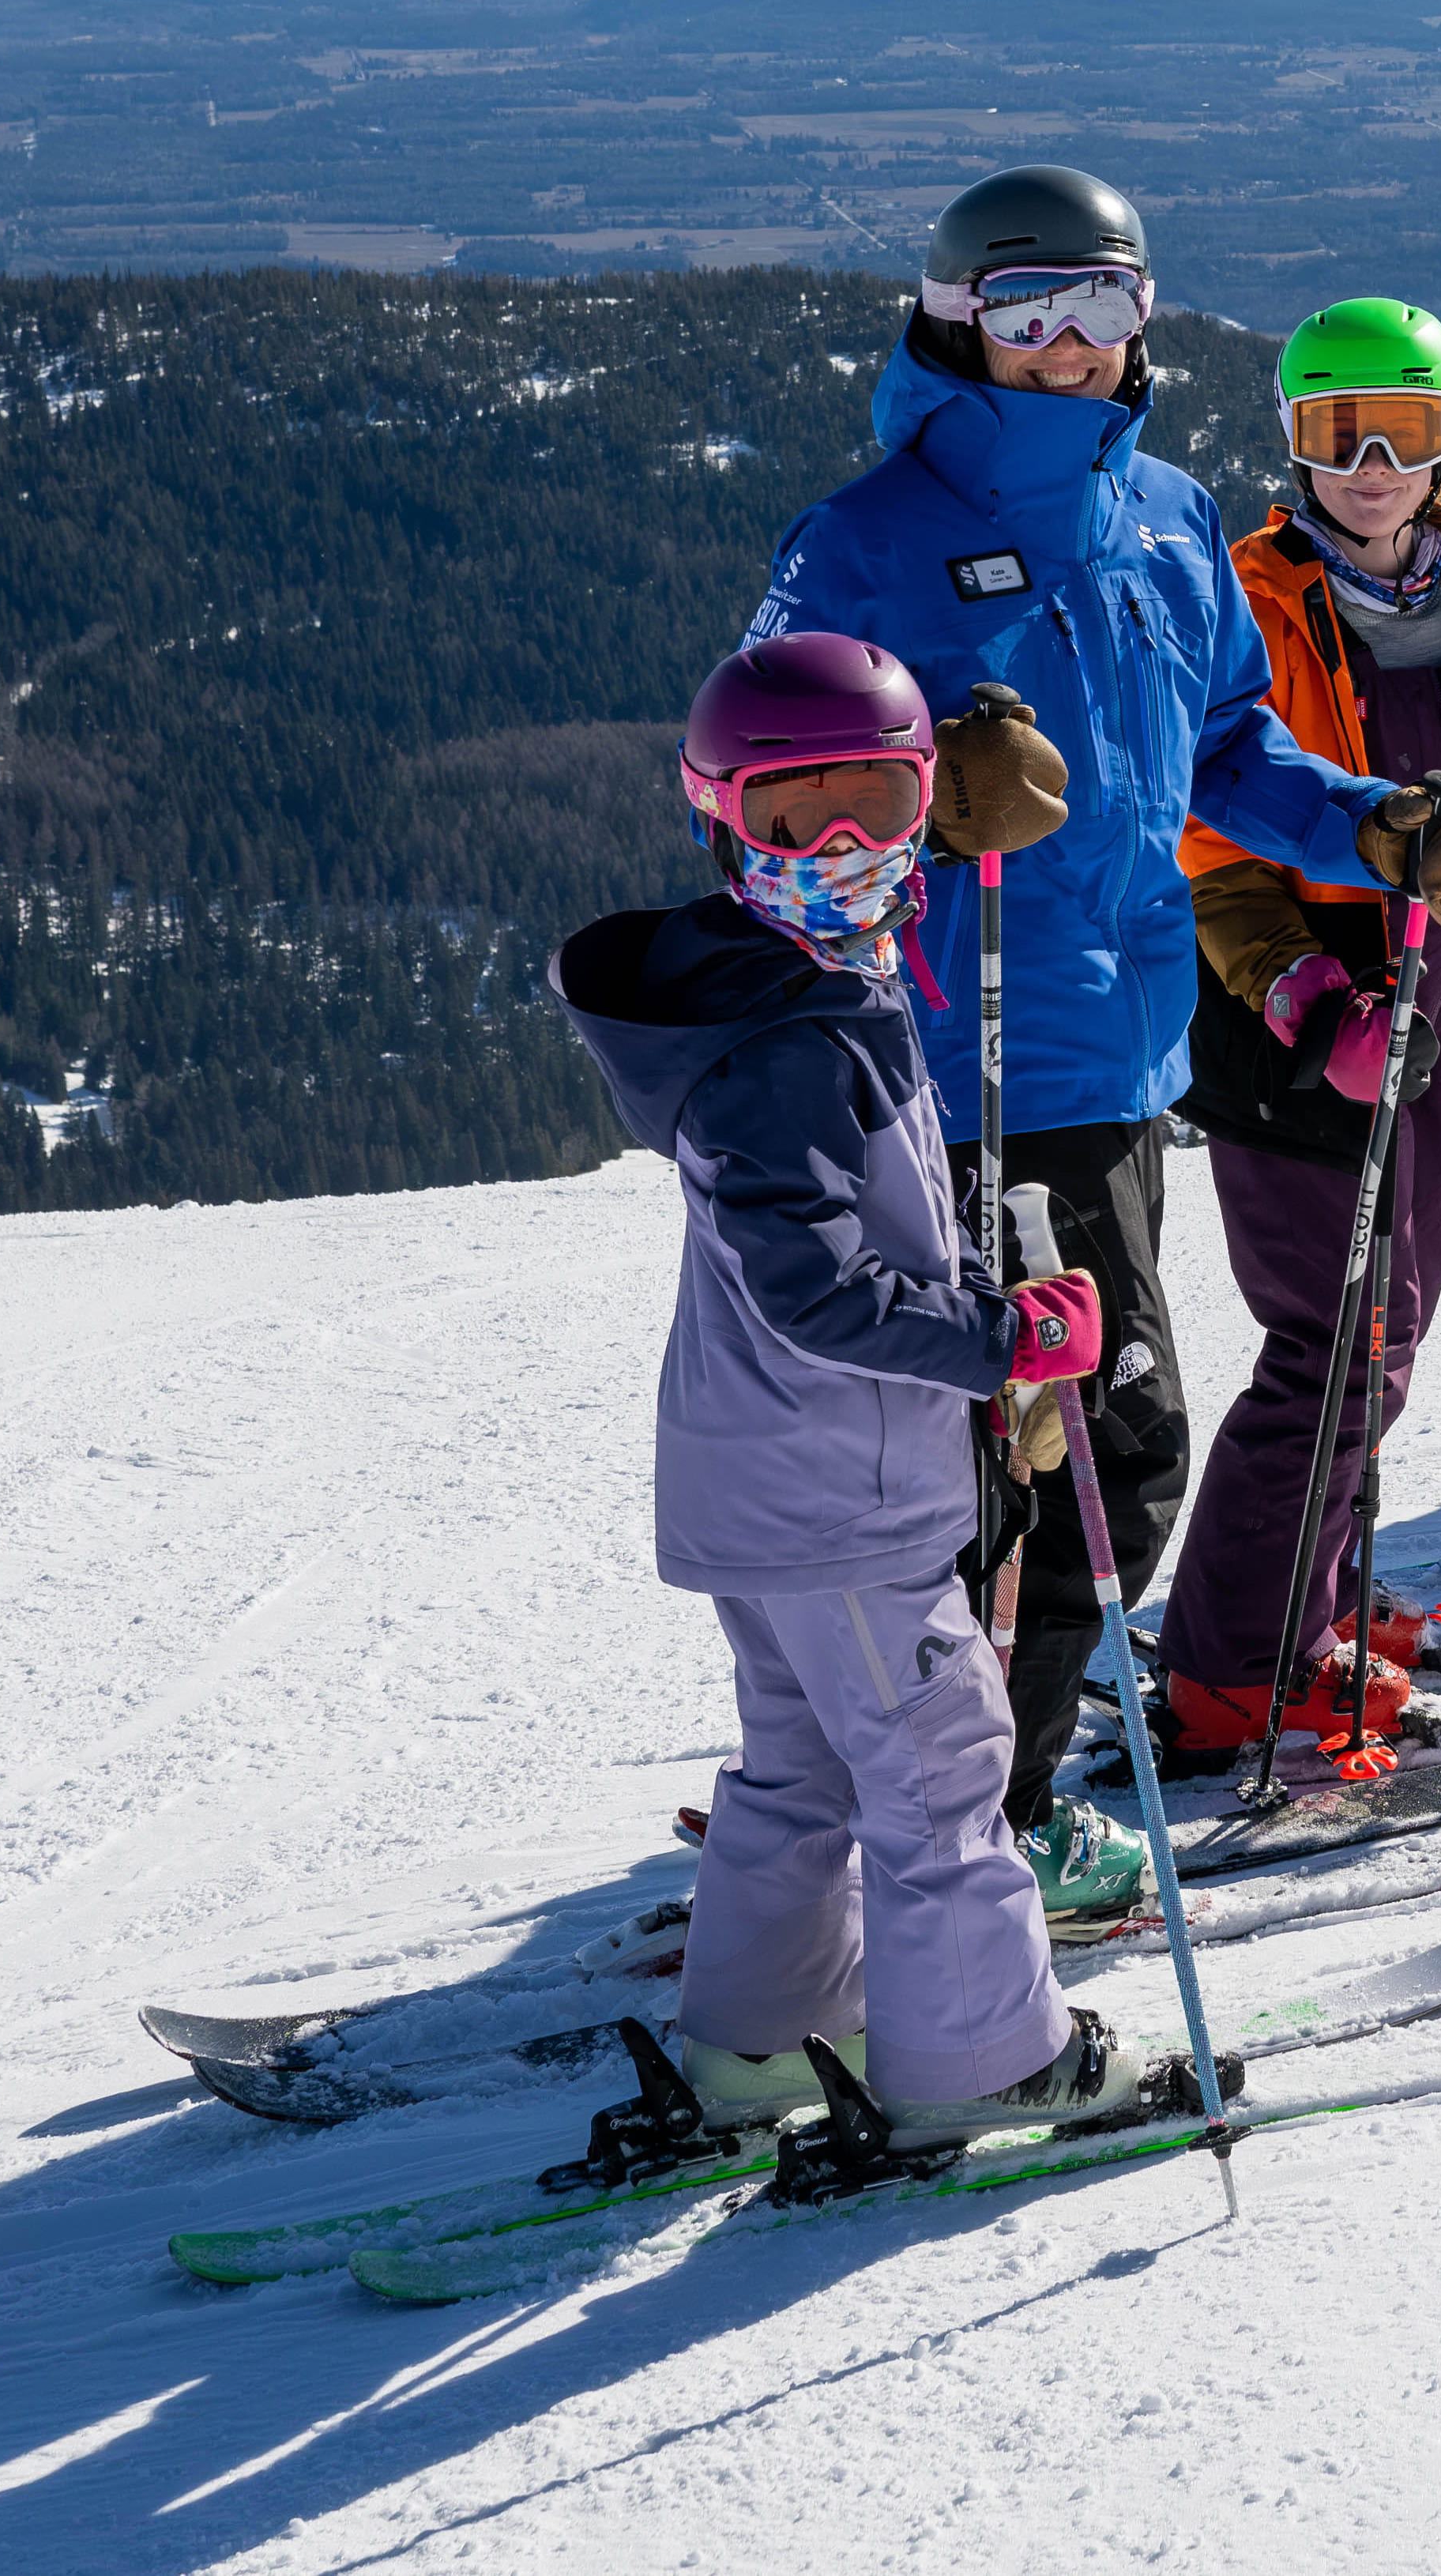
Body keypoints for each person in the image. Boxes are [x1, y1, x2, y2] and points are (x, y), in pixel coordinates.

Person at [739, 167, 1441, 1911]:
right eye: (1028, 310)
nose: (1073, 346)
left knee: (1049, 1463)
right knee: (1087, 1461)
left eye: (1105, 305)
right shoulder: (859, 541)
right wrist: (923, 814)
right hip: (968, 1074)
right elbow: (756, 804)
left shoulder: (1164, 515)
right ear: (951, 321)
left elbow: (1229, 750)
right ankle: (968, 1829)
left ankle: (944, 1797)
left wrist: (1370, 823)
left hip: (1126, 1064)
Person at [553, 633, 1142, 2138]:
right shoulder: (778, 1044)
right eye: (788, 814)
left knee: (801, 1767)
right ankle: (982, 2062)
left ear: (924, 799)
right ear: (715, 819)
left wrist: (982, 1320)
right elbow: (814, 1290)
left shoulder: (790, 983)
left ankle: (760, 2046)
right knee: (942, 1764)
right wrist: (998, 1341)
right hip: (837, 1490)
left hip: (772, 1475)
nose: (839, 847)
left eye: (875, 800)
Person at [1163, 296, 1441, 1757]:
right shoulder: (1250, 597)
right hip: (1300, 1005)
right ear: (1293, 436)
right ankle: (1234, 1660)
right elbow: (1207, 843)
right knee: (1329, 1340)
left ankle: (1316, 1597)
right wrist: (1305, 997)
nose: (1370, 465)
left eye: (1403, 431)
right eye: (1337, 432)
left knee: (1385, 1339)